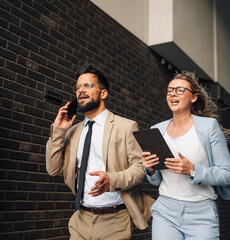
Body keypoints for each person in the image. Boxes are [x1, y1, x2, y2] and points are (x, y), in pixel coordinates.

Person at [46, 64, 154, 240]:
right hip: (81, 219)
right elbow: (53, 169)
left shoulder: (126, 126)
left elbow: (141, 168)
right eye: (78, 87)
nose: (81, 90)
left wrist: (112, 179)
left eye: (88, 86)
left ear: (103, 93)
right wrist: (59, 131)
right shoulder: (72, 132)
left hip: (115, 221)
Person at [142, 71, 230, 240]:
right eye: (170, 90)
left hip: (201, 213)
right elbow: (156, 180)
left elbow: (227, 174)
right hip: (166, 211)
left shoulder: (209, 127)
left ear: (193, 97)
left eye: (179, 90)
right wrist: (149, 169)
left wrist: (193, 170)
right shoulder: (156, 130)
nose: (172, 94)